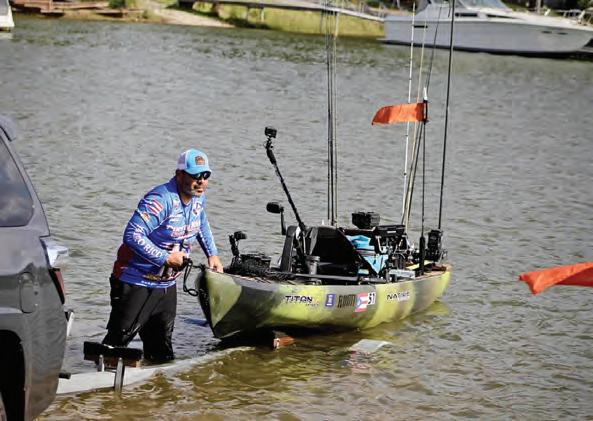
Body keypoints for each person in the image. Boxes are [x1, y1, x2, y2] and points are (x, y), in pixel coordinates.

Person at [102, 148, 223, 362]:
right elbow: (132, 234)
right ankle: (98, 380)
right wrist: (164, 258)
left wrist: (212, 254)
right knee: (115, 345)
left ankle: (155, 381)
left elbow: (201, 222)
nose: (201, 181)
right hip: (136, 281)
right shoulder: (161, 200)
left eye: (206, 175)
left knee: (162, 352)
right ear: (179, 174)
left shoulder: (198, 198)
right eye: (195, 175)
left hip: (166, 286)